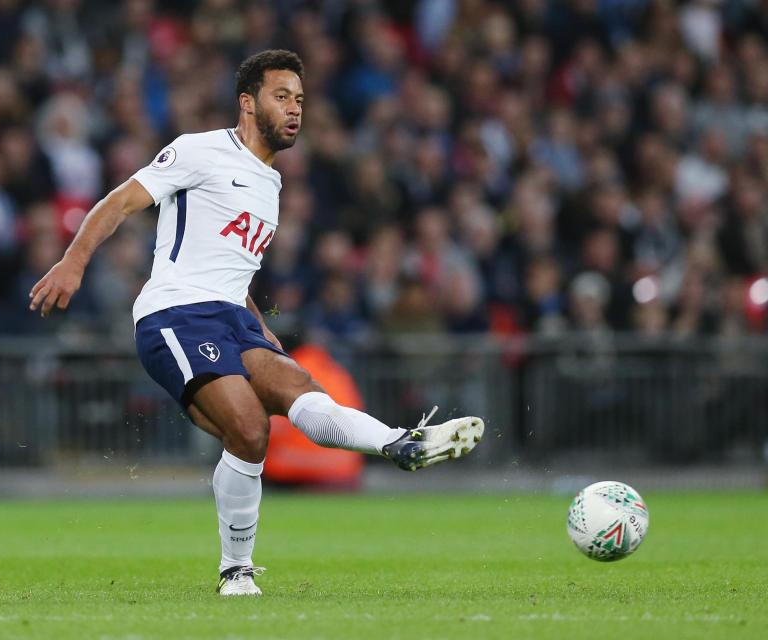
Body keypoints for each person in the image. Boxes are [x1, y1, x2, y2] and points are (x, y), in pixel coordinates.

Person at [29, 50, 484, 597]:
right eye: (281, 97)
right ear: (248, 102)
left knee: (303, 390)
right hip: (176, 313)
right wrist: (72, 263)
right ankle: (235, 572)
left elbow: (232, 267)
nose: (294, 110)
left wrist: (258, 323)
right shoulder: (200, 150)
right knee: (250, 429)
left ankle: (400, 443)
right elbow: (121, 201)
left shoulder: (271, 184)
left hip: (232, 319)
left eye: (299, 100)